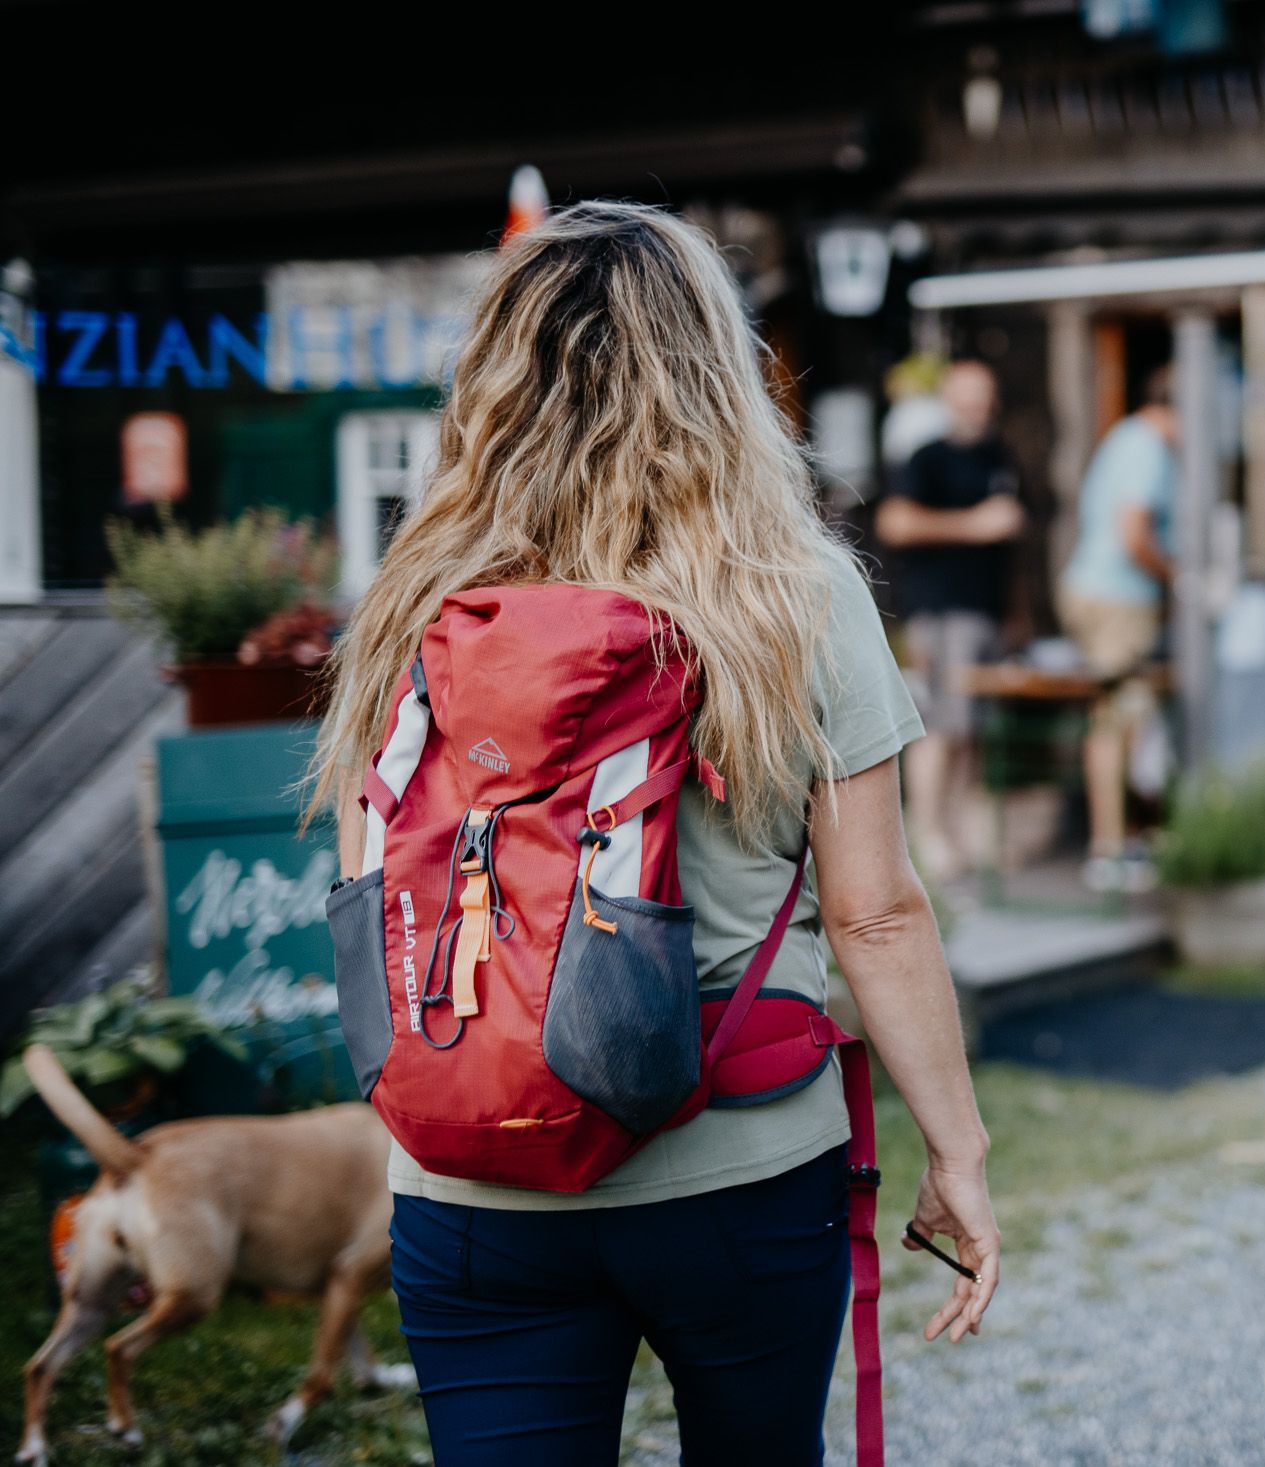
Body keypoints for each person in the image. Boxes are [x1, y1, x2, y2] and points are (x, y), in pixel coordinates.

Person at [305, 201, 999, 1466]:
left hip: (471, 1181)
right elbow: (875, 910)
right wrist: (957, 1148)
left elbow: (375, 870)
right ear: (713, 372)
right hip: (737, 1168)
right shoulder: (794, 586)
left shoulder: (418, 583)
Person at [874, 359, 1025, 883]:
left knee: (970, 730)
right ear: (947, 399)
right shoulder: (927, 458)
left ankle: (958, 835)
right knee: (938, 726)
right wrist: (973, 526)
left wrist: (1014, 614)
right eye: (965, 395)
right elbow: (894, 522)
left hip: (985, 613)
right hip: (938, 611)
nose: (975, 405)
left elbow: (1010, 546)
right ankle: (925, 836)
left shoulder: (999, 456)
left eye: (983, 394)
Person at [1059, 361, 1177, 893]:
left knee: (1127, 717)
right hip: (1118, 599)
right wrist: (1181, 577)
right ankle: (1109, 850)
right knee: (1118, 718)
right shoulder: (1147, 448)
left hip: (1098, 591)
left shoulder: (1127, 438)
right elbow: (1133, 534)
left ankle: (1124, 839)